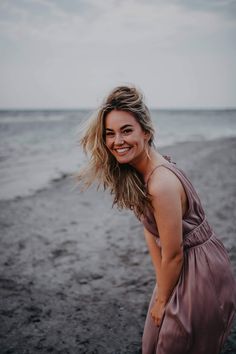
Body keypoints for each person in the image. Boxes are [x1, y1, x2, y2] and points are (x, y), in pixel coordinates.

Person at [77, 85, 236, 354]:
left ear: (146, 132)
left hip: (199, 268)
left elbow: (173, 254)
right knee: (152, 343)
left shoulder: (160, 183)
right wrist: (161, 282)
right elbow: (151, 231)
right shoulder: (142, 174)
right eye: (110, 134)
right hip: (181, 264)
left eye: (127, 130)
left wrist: (163, 299)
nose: (117, 141)